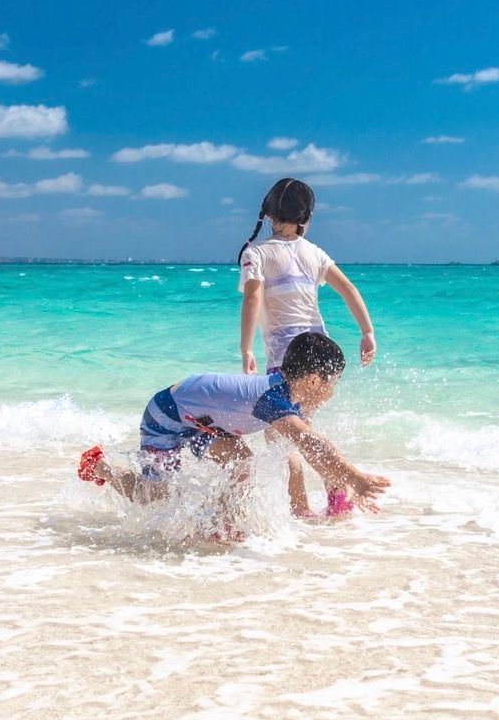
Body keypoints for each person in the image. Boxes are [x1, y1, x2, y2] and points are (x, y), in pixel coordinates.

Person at [78, 332, 388, 533]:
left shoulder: (287, 394)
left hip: (203, 422)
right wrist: (356, 478)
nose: (332, 392)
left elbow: (312, 451)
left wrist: (345, 481)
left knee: (242, 462)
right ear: (311, 381)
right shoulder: (274, 400)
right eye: (331, 383)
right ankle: (101, 466)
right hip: (168, 416)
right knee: (151, 497)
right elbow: (311, 443)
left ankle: (223, 527)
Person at [236, 178, 377, 516]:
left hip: (289, 364)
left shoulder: (257, 253)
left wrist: (246, 349)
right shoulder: (314, 253)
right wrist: (367, 332)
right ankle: (338, 500)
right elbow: (348, 289)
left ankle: (302, 512)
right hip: (324, 360)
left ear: (269, 214)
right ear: (306, 217)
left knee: (284, 443)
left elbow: (254, 297)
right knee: (305, 433)